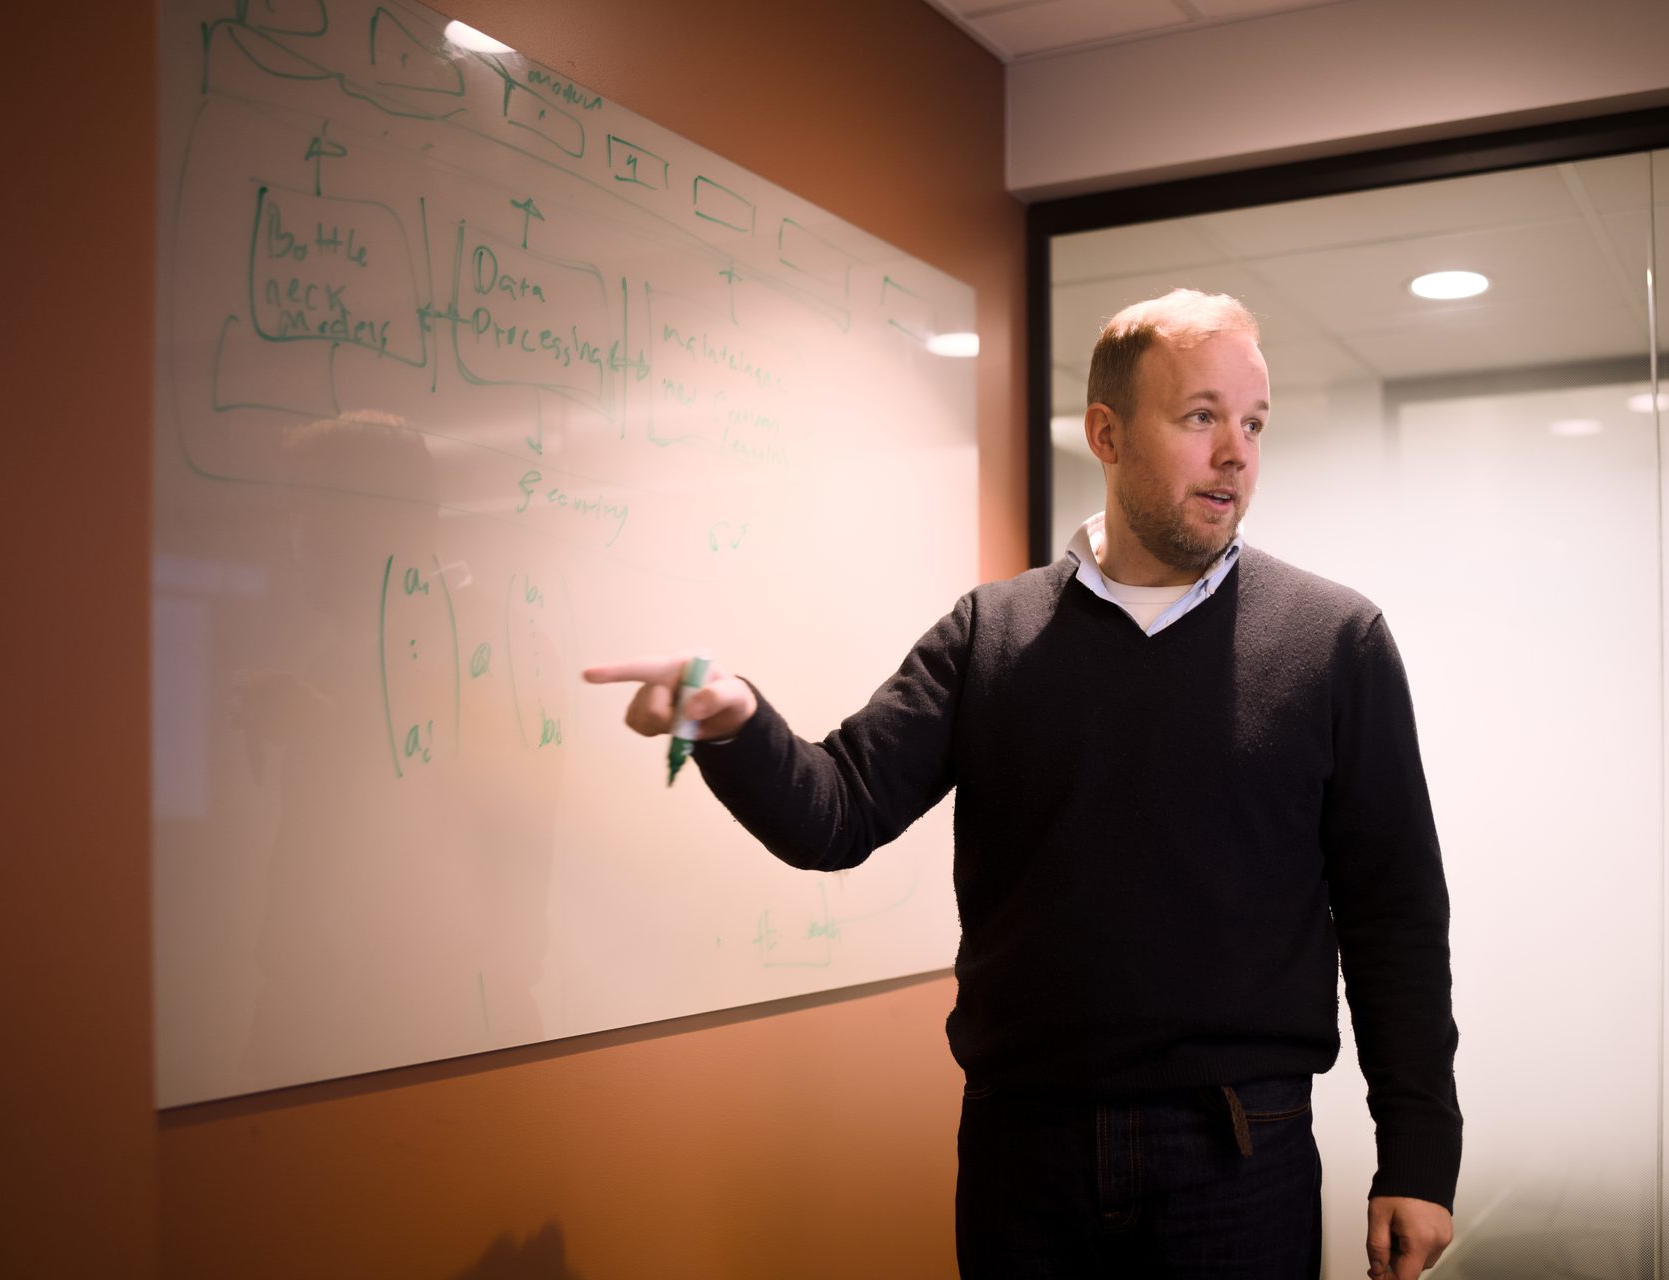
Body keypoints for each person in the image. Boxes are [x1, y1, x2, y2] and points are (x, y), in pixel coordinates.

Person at [586, 289, 1460, 1278]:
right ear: (1107, 433)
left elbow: (1393, 911)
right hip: (1023, 1152)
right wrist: (733, 722)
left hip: (1236, 1152)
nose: (1236, 454)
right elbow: (836, 812)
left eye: (1254, 424)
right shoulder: (989, 635)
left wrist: (1419, 1153)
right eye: (1201, 416)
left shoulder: (1335, 640)